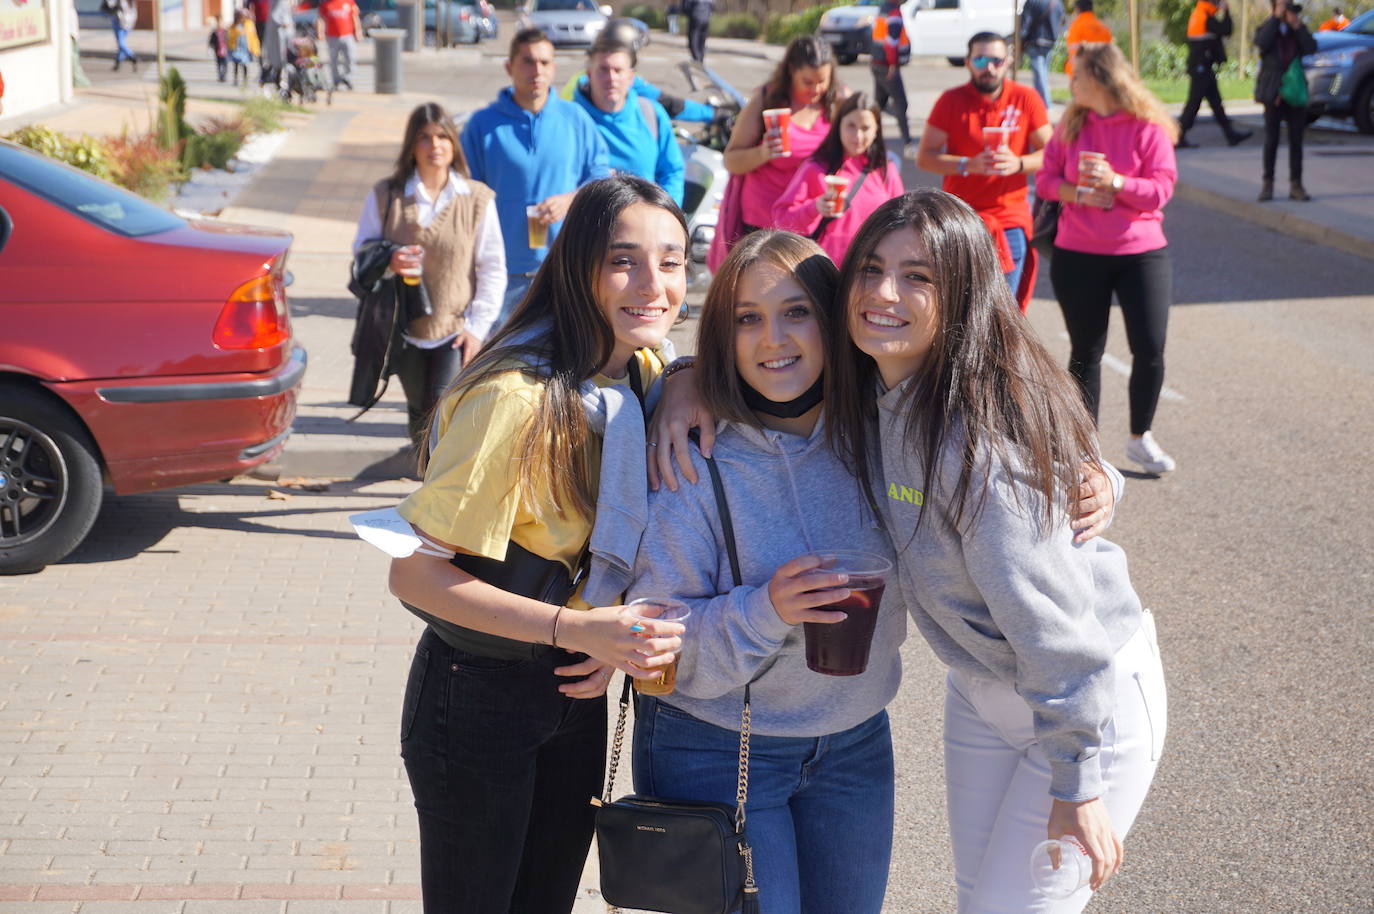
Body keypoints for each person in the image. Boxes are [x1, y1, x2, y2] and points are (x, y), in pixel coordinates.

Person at [827, 187, 1165, 914]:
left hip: (1081, 700)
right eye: (871, 268)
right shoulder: (874, 387)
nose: (884, 293)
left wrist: (1078, 782)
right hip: (981, 690)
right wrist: (691, 383)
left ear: (964, 294)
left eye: (918, 276)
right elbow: (760, 358)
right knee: (978, 899)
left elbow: (1056, 630)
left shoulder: (971, 440)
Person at [384, 175, 688, 913]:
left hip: (574, 691)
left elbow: (678, 360)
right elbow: (413, 578)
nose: (654, 285)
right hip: (477, 694)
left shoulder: (640, 373)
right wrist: (575, 627)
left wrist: (688, 381)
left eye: (673, 261)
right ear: (578, 267)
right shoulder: (514, 396)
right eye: (624, 261)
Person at [629, 230, 904, 914]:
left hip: (854, 742)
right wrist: (765, 609)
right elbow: (650, 641)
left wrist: (1098, 479)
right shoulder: (696, 453)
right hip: (713, 743)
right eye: (747, 318)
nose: (772, 337)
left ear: (833, 318)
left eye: (796, 311)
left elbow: (1003, 443)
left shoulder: (884, 429)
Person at [1036, 41, 1180, 475]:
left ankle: (1141, 437)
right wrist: (1079, 193)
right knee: (1086, 352)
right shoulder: (1071, 123)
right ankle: (1084, 450)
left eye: (1076, 74)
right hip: (1078, 253)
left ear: (1099, 77)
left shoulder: (1147, 127)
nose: (1070, 81)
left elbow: (1162, 189)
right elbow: (1045, 181)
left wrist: (1117, 182)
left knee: (1150, 348)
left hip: (1142, 253)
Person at [351, 103, 506, 446]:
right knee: (419, 415)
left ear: (453, 144)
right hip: (403, 329)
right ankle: (426, 488)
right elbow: (361, 249)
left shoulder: (476, 198)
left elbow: (493, 267)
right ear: (411, 145)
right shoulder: (387, 195)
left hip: (454, 329)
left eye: (442, 137)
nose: (434, 146)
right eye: (424, 137)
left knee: (443, 415)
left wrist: (477, 328)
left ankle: (440, 491)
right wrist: (390, 259)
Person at [462, 28, 611, 326]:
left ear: (554, 67)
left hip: (562, 270)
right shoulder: (482, 125)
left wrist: (571, 199)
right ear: (509, 67)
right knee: (500, 365)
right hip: (500, 272)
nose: (537, 71)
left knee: (562, 362)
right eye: (528, 61)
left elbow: (601, 176)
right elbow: (466, 194)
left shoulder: (575, 119)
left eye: (545, 63)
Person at [915, 31, 1051, 303]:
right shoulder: (951, 101)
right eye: (979, 60)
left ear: (1008, 62)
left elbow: (1053, 153)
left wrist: (1019, 163)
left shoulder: (1026, 99)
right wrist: (968, 164)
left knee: (1002, 308)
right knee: (959, 305)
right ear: (967, 62)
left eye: (996, 61)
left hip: (1009, 220)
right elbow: (925, 157)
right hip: (960, 219)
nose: (988, 68)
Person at [726, 36, 845, 240]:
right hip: (764, 221)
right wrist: (763, 153)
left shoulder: (836, 102)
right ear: (791, 70)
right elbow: (731, 160)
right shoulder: (767, 99)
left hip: (813, 219)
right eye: (808, 82)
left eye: (822, 81)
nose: (816, 89)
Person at [772, 93, 905, 265]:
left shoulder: (886, 171)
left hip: (869, 272)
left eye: (865, 128)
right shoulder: (816, 168)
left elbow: (901, 221)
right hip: (825, 270)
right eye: (851, 125)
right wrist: (815, 208)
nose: (857, 136)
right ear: (838, 126)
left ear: (876, 131)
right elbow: (781, 221)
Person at [569, 36, 685, 206]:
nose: (611, 78)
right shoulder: (570, 119)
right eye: (603, 69)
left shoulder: (651, 113)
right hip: (589, 227)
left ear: (631, 77)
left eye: (618, 70)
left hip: (645, 225)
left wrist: (666, 214)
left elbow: (672, 171)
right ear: (589, 75)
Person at [1254, 0, 1317, 201]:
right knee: (1272, 139)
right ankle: (1268, 184)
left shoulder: (1296, 27)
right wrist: (1275, 18)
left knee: (1296, 140)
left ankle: (1296, 185)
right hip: (1274, 90)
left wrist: (1297, 26)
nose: (1286, 7)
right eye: (1282, 4)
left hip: (1295, 91)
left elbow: (1311, 47)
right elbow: (1262, 43)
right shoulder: (1267, 26)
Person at [1176, 0, 1253, 148]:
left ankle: (1230, 135)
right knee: (1194, 104)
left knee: (1216, 103)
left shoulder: (1201, 13)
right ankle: (1177, 135)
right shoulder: (1205, 17)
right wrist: (1226, 11)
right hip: (1201, 68)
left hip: (1203, 67)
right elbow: (1226, 30)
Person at [870, 0, 913, 154]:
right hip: (888, 66)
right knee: (901, 103)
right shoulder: (894, 12)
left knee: (879, 104)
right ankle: (908, 142)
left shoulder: (883, 8)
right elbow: (891, 42)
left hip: (877, 62)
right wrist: (893, 65)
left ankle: (872, 139)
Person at [1020, 0, 1064, 108]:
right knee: (1043, 73)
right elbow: (1062, 21)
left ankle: (1044, 103)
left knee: (1040, 75)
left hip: (1035, 42)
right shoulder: (1057, 2)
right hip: (1050, 42)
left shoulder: (1031, 2)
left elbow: (1025, 24)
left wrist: (1021, 39)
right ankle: (1043, 102)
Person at [316, 0, 362, 90]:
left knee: (350, 57)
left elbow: (355, 17)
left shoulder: (349, 2)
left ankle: (348, 79)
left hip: (347, 35)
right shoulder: (326, 4)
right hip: (332, 36)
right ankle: (336, 80)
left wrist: (358, 31)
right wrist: (320, 32)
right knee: (333, 60)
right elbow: (320, 19)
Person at [1064, 0, 1111, 77]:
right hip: (1102, 72)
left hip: (1082, 73)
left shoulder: (1076, 27)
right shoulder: (1103, 28)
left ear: (1077, 9)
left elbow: (1073, 53)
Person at [228, 9, 261, 88]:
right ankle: (235, 79)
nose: (242, 18)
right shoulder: (234, 26)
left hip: (245, 48)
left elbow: (253, 37)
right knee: (235, 64)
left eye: (243, 16)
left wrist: (255, 48)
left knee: (245, 64)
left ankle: (245, 80)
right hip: (236, 47)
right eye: (240, 16)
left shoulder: (249, 24)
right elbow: (230, 36)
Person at [106, 0, 138, 72]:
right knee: (121, 43)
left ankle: (132, 57)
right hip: (127, 22)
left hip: (121, 23)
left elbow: (110, 4)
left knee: (121, 43)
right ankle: (118, 63)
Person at [208, 16, 229, 83]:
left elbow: (229, 40)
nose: (220, 24)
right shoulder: (214, 32)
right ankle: (220, 75)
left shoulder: (225, 31)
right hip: (217, 50)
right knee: (219, 63)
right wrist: (211, 47)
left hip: (225, 50)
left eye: (221, 22)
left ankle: (224, 75)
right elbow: (211, 41)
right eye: (219, 22)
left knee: (225, 63)